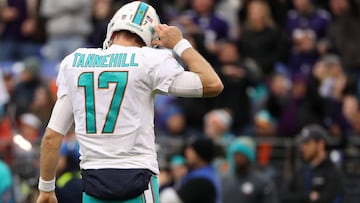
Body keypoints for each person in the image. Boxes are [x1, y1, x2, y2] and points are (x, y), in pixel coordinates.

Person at [36, 1, 223, 203]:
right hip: (138, 179)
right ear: (150, 39)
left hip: (93, 183)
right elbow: (212, 84)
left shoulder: (75, 63)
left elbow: (51, 137)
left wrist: (46, 189)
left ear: (112, 30)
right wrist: (180, 43)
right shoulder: (150, 60)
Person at [281, 124, 345, 203]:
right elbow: (284, 196)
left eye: (307, 143)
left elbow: (329, 199)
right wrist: (308, 197)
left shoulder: (333, 172)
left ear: (320, 144)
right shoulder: (301, 171)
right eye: (302, 144)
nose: (302, 148)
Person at [222, 137, 279, 203]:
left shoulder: (263, 182)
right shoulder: (223, 181)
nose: (238, 158)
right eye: (236, 155)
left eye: (241, 155)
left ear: (249, 156)